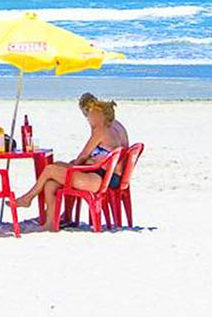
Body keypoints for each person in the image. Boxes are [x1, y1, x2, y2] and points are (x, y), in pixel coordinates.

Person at [14, 92, 129, 228]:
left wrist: (75, 164)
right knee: (51, 183)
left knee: (50, 169)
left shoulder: (100, 130)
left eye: (90, 115)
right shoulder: (116, 126)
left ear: (98, 115)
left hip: (101, 179)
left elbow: (83, 157)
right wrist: (85, 162)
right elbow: (102, 155)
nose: (88, 119)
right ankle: (51, 223)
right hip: (111, 175)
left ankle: (28, 198)